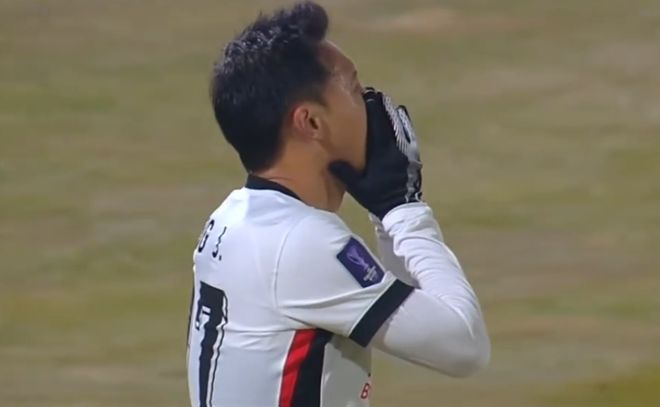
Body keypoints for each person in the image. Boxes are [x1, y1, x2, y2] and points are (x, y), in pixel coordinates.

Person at [186, 2, 490, 406]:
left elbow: (417, 312)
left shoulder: (237, 217)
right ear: (311, 122)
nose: (371, 103)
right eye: (354, 87)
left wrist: (386, 214)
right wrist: (405, 209)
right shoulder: (301, 243)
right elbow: (463, 346)